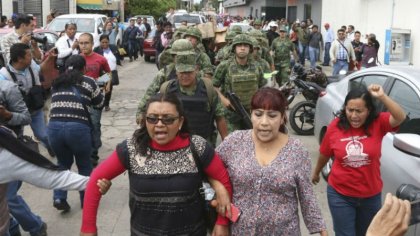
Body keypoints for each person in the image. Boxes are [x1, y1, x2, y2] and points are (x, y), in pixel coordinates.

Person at [80, 93, 233, 235]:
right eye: (152, 118)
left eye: (168, 119)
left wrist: (222, 222)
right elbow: (95, 180)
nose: (159, 124)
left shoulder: (198, 147)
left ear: (180, 122)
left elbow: (224, 180)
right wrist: (88, 228)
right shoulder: (132, 149)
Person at [214, 87, 327, 235]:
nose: (264, 122)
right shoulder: (235, 142)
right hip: (240, 231)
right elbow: (210, 167)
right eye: (258, 114)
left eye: (272, 116)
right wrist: (219, 189)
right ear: (251, 114)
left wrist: (321, 230)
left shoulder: (297, 151)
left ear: (282, 118)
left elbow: (307, 196)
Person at [311, 84, 406, 236]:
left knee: (368, 233)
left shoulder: (378, 123)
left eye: (359, 111)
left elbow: (400, 117)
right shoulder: (335, 126)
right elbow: (325, 153)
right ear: (345, 109)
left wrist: (382, 96)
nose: (354, 116)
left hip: (370, 196)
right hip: (340, 195)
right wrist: (316, 172)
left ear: (368, 111)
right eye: (350, 110)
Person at [0, 125, 111, 236]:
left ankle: (36, 223)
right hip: (61, 131)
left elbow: (51, 176)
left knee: (74, 162)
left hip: (68, 131)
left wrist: (94, 183)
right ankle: (58, 199)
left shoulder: (6, 157)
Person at [48, 54, 104, 212]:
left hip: (54, 128)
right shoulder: (89, 81)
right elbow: (99, 103)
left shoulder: (56, 83)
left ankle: (59, 197)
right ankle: (86, 201)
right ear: (84, 68)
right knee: (84, 165)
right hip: (77, 128)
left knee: (62, 164)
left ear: (66, 68)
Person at [159, 53, 228, 146]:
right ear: (176, 71)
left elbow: (220, 117)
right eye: (182, 72)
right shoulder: (167, 89)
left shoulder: (208, 89)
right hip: (175, 143)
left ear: (196, 70)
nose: (185, 76)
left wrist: (226, 142)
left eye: (189, 72)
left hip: (204, 144)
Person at [213, 34, 266, 132]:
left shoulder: (257, 67)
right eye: (239, 45)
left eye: (245, 46)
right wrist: (224, 100)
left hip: (252, 113)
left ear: (250, 49)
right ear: (234, 48)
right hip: (231, 114)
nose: (242, 48)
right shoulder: (224, 66)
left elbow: (262, 87)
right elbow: (213, 87)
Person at [78, 33, 111, 166]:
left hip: (96, 98)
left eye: (86, 43)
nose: (84, 45)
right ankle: (85, 149)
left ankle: (93, 152)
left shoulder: (100, 59)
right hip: (80, 98)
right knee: (83, 125)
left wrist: (107, 83)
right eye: (81, 43)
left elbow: (108, 73)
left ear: (92, 44)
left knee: (95, 124)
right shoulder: (76, 59)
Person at [94, 34, 121, 111]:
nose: (105, 44)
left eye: (106, 42)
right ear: (100, 42)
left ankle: (106, 104)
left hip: (112, 72)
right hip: (102, 72)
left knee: (109, 89)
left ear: (109, 42)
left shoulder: (113, 47)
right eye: (103, 42)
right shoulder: (97, 50)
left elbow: (119, 55)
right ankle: (99, 103)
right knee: (99, 88)